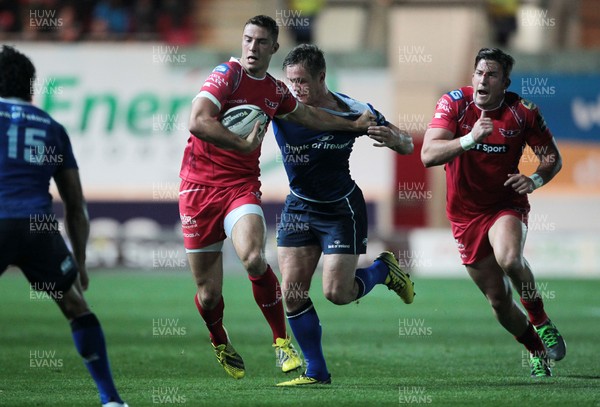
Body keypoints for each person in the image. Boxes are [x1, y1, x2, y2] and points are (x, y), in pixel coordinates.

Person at [180, 15, 375, 380]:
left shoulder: (274, 91)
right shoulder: (227, 76)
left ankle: (281, 343)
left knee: (254, 259)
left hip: (240, 185)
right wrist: (242, 143)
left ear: (274, 47)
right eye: (247, 40)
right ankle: (219, 338)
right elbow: (197, 121)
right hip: (198, 190)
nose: (252, 48)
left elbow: (310, 117)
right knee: (208, 295)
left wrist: (353, 126)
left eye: (260, 42)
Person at [271, 44, 415, 386]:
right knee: (291, 293)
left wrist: (393, 137)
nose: (297, 89)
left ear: (322, 77)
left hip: (340, 209)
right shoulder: (283, 106)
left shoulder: (354, 108)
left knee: (337, 293)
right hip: (299, 206)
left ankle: (383, 270)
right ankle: (317, 371)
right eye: (291, 81)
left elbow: (408, 144)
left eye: (303, 81)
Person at [421, 47, 566, 377]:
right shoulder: (455, 104)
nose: (483, 80)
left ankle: (541, 321)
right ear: (472, 77)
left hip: (505, 204)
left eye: (492, 75)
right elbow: (428, 155)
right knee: (498, 300)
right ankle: (535, 348)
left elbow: (552, 157)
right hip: (463, 214)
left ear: (505, 83)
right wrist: (470, 138)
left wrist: (535, 179)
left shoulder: (523, 113)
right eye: (479, 73)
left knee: (509, 258)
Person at [0, 45, 127, 407]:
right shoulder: (51, 128)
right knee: (75, 305)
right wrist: (81, 262)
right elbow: (75, 203)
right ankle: (111, 399)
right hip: (37, 227)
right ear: (30, 87)